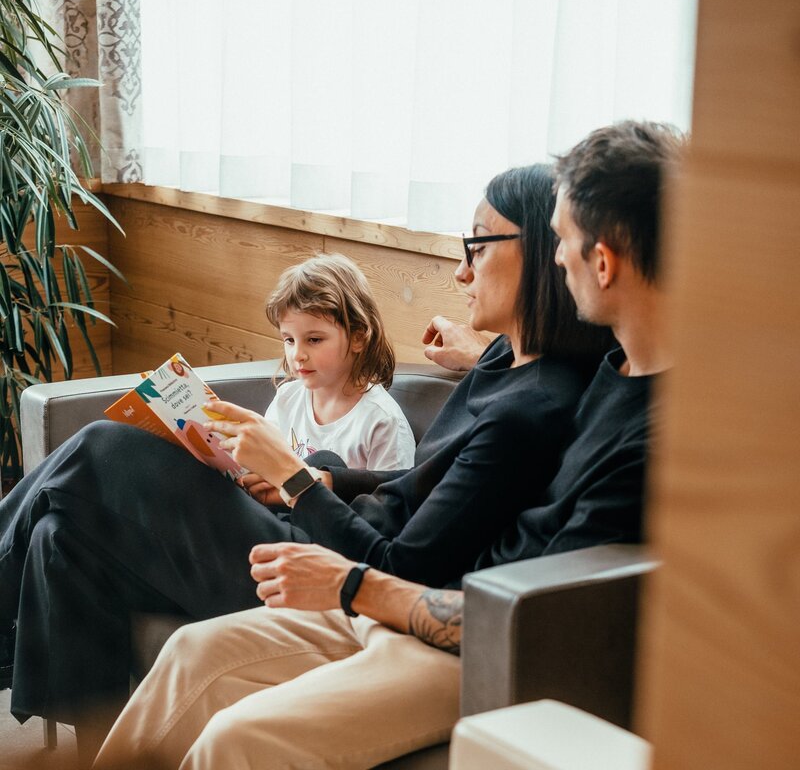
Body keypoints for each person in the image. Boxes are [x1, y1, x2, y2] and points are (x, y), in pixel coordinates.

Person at [92, 120, 683, 770]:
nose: (558, 256)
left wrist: (355, 583)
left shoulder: (654, 429)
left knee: (241, 737)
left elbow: (538, 625)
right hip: (419, 602)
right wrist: (481, 351)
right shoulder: (608, 367)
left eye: (565, 242)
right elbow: (524, 394)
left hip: (466, 639)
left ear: (603, 261)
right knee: (189, 654)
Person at [260, 253, 415, 473]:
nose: (297, 354)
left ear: (357, 338)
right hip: (277, 506)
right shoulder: (287, 399)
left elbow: (391, 502)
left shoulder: (382, 421)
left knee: (325, 462)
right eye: (289, 340)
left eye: (314, 340)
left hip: (341, 508)